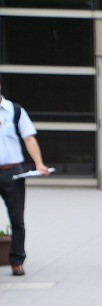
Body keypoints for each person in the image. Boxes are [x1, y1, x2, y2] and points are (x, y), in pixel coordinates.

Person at [0, 74, 51, 276]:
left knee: (17, 218)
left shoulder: (15, 111)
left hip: (12, 171)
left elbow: (29, 138)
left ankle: (17, 260)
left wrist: (39, 163)